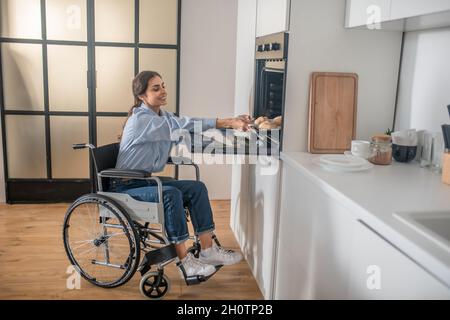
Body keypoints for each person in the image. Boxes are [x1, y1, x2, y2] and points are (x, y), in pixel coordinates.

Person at [110, 70, 251, 279]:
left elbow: (188, 134)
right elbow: (183, 124)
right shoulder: (141, 120)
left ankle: (208, 251)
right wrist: (226, 121)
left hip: (145, 181)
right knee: (170, 194)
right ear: (141, 96)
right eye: (155, 88)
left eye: (163, 86)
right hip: (126, 186)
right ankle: (185, 263)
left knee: (197, 188)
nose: (163, 91)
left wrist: (232, 135)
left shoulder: (162, 116)